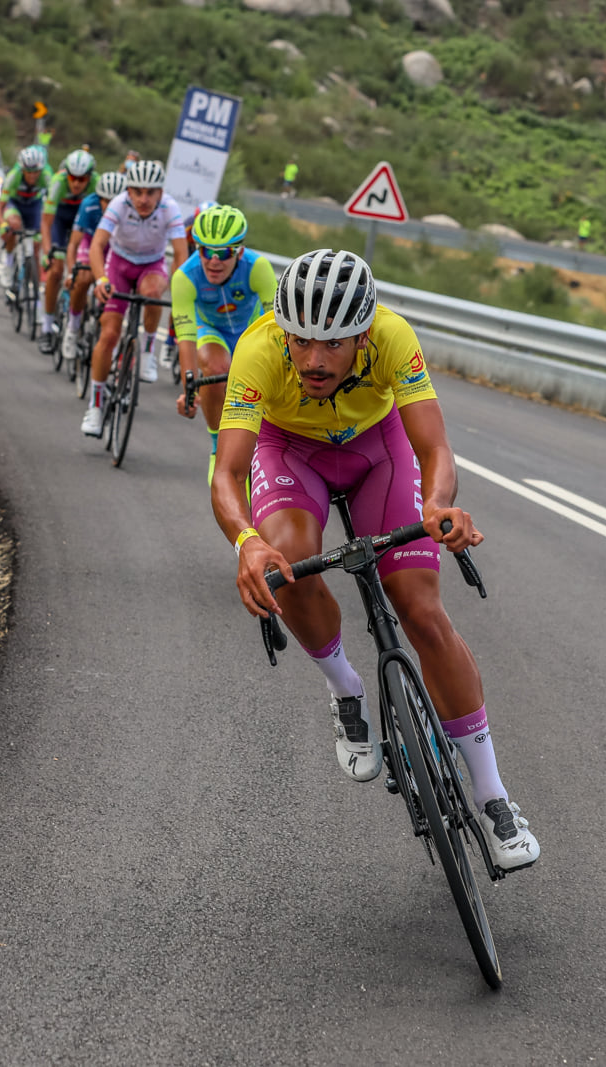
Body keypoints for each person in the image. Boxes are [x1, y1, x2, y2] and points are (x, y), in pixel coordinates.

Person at [211, 249, 541, 871]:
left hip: (378, 452)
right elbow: (227, 471)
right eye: (301, 339)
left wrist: (440, 505)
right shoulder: (257, 351)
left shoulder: (393, 336)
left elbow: (433, 444)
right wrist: (245, 541)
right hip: (291, 454)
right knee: (288, 566)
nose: (313, 359)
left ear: (363, 331)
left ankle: (494, 796)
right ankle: (346, 689)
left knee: (421, 609)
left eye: (333, 343)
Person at [80, 159, 186, 437]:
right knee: (110, 334)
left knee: (152, 293)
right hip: (119, 265)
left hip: (151, 265)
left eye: (150, 192)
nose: (143, 199)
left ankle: (148, 350)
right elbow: (97, 245)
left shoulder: (170, 208)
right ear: (128, 191)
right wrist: (101, 278)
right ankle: (95, 405)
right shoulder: (118, 204)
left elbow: (181, 257)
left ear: (160, 193)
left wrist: (180, 292)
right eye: (137, 192)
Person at [172, 205, 276, 484]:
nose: (214, 261)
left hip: (251, 330)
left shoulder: (258, 268)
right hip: (212, 331)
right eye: (206, 251)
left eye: (224, 252)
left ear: (239, 251)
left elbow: (279, 330)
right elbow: (186, 338)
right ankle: (219, 448)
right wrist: (190, 387)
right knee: (217, 368)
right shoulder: (185, 276)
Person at [59, 170, 123, 368]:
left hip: (112, 246)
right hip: (89, 242)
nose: (109, 206)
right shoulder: (89, 205)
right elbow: (73, 244)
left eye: (114, 201)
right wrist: (72, 272)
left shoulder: (127, 210)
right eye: (105, 201)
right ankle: (73, 325)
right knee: (84, 278)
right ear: (99, 198)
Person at [38, 148, 96, 353]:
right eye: (73, 177)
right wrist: (48, 252)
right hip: (61, 219)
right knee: (55, 270)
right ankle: (46, 328)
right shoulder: (57, 182)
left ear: (90, 177)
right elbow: (46, 223)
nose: (77, 183)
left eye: (82, 179)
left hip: (84, 222)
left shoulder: (97, 185)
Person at [0, 144, 52, 295]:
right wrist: (3, 224)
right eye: (28, 172)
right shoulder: (13, 176)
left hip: (34, 204)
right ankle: (8, 263)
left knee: (35, 244)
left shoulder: (47, 176)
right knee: (14, 225)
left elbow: (50, 208)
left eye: (36, 172)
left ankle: (28, 277)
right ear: (22, 169)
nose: (33, 175)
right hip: (14, 204)